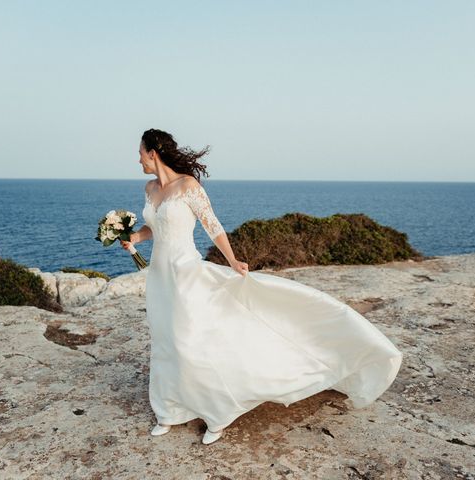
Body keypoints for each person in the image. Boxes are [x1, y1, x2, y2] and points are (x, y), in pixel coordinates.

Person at [121, 128, 403, 445]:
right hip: (160, 278)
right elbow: (153, 227)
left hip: (186, 273)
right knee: (166, 340)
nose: (138, 159)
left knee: (188, 340)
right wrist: (133, 237)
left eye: (141, 152)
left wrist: (232, 261)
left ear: (153, 153)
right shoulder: (150, 189)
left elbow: (213, 227)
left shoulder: (188, 186)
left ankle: (217, 413)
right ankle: (169, 410)